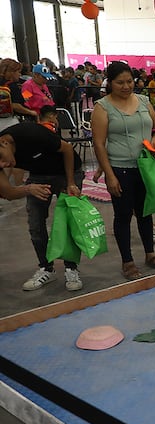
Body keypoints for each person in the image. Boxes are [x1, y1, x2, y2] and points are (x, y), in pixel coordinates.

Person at [91, 61, 155, 280]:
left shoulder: (144, 101)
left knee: (145, 213)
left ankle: (150, 254)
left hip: (146, 167)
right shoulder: (103, 107)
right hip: (120, 168)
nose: (126, 87)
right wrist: (109, 175)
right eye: (120, 83)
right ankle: (127, 261)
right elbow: (98, 143)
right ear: (110, 83)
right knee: (123, 215)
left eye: (129, 82)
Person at [0, 106, 84, 291]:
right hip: (38, 175)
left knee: (67, 222)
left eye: (2, 159)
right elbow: (7, 193)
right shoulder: (2, 155)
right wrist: (28, 188)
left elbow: (68, 149)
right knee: (35, 224)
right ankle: (47, 268)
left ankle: (71, 268)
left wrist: (71, 183)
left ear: (5, 142)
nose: (3, 164)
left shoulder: (30, 133)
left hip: (66, 170)